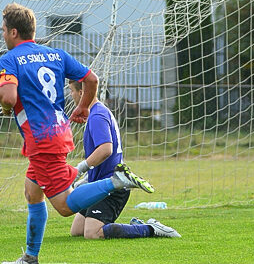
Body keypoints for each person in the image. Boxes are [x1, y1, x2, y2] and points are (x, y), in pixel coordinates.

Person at [0, 3, 155, 264]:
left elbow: (8, 97)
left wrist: (5, 105)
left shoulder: (9, 60)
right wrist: (83, 105)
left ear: (13, 32)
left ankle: (116, 181)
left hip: (42, 140)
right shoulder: (56, 55)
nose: (2, 35)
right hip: (59, 131)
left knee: (65, 206)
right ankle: (30, 258)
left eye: (3, 30)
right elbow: (91, 79)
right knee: (32, 192)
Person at [67, 80, 180, 239]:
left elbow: (106, 149)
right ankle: (138, 225)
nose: (70, 95)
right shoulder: (97, 112)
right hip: (98, 185)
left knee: (92, 233)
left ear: (81, 92)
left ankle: (150, 228)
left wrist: (80, 168)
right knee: (77, 231)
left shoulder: (97, 115)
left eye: (71, 90)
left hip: (113, 186)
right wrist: (86, 179)